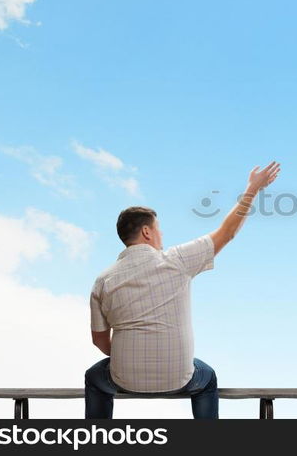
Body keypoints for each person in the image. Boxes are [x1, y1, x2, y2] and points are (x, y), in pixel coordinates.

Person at [84, 161, 281, 419]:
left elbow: (100, 340)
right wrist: (252, 190)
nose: (161, 234)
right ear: (146, 232)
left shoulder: (103, 281)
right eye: (158, 229)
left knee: (93, 378)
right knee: (207, 378)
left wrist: (127, 356)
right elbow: (227, 232)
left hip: (124, 377)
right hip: (179, 376)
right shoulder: (176, 260)